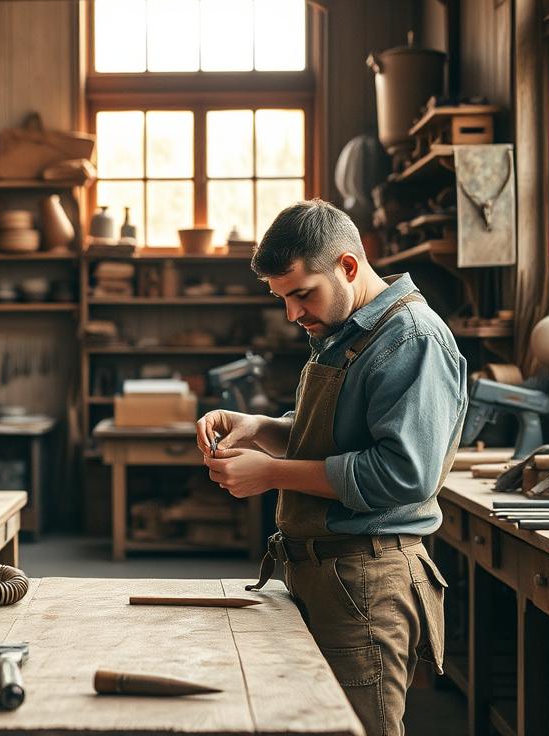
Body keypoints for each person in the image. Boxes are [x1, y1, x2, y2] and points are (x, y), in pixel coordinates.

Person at [195, 199, 466, 736]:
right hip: (322, 571)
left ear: (347, 266)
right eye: (282, 298)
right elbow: (331, 438)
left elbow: (402, 474)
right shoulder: (345, 331)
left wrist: (271, 474)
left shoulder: (411, 338)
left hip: (367, 579)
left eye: (302, 293)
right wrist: (260, 427)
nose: (292, 313)